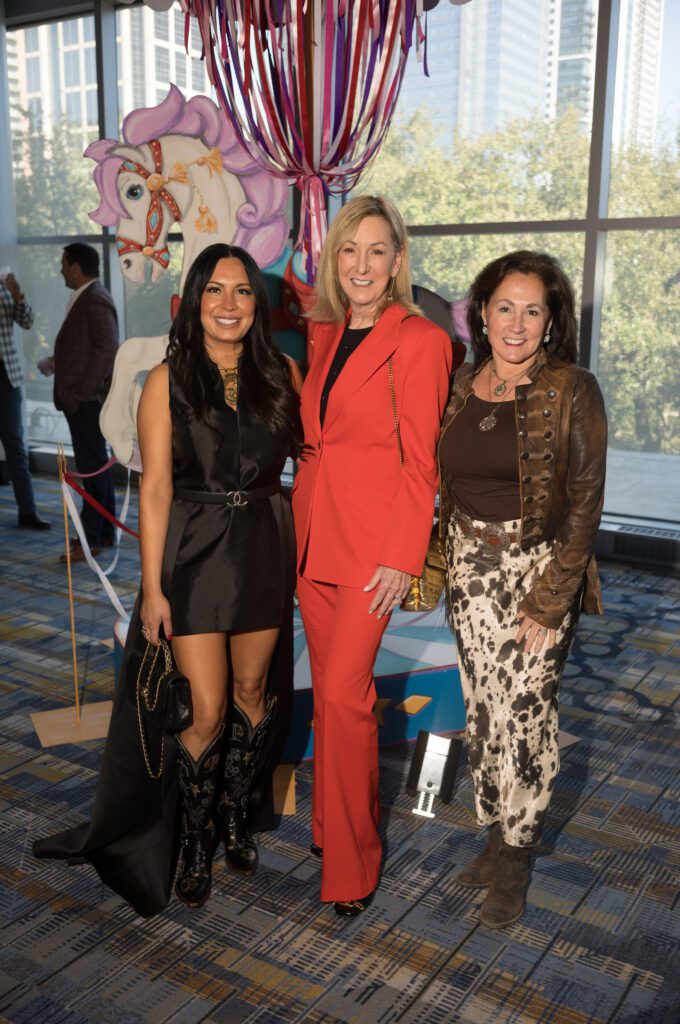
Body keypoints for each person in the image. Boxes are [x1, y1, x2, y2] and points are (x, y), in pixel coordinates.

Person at [34, 243, 302, 916]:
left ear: (257, 305)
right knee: (204, 709)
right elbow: (153, 491)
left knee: (252, 691)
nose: (229, 304)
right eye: (215, 291)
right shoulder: (167, 378)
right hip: (197, 553)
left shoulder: (282, 372)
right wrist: (152, 589)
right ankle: (192, 839)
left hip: (265, 544)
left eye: (243, 292)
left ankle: (237, 817)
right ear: (194, 301)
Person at [292, 196, 452, 916]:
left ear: (397, 261)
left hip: (371, 552)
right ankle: (330, 825)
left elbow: (423, 463)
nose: (361, 264)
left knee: (346, 700)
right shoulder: (324, 332)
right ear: (335, 259)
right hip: (312, 539)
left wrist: (401, 555)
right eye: (349, 249)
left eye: (377, 250)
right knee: (329, 695)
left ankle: (353, 866)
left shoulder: (420, 339)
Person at [439, 250, 607, 929]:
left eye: (531, 310)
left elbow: (587, 502)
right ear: (481, 314)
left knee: (527, 715)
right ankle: (492, 828)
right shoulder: (460, 382)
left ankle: (517, 852)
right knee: (481, 708)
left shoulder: (574, 388)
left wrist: (550, 598)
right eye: (504, 307)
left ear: (550, 319)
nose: (516, 323)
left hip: (537, 570)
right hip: (467, 566)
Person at [42, 243, 119, 561]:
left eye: (63, 264)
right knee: (96, 466)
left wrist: (81, 392)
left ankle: (89, 540)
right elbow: (88, 348)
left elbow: (107, 349)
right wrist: (57, 361)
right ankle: (103, 533)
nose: (60, 270)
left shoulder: (95, 298)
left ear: (75, 267)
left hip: (87, 402)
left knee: (91, 470)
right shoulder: (88, 297)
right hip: (83, 400)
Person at [0, 270, 50, 529]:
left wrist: (18, 295)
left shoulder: (6, 285)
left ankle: (27, 512)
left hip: (7, 376)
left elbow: (28, 321)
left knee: (16, 446)